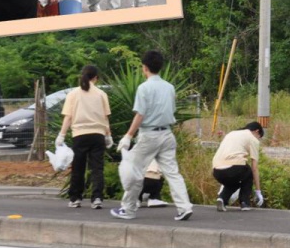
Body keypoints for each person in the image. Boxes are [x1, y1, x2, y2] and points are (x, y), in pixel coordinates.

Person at [111, 50, 194, 221]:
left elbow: (140, 115)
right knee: (173, 173)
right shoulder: (169, 87)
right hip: (167, 134)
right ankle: (185, 207)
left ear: (145, 67)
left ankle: (128, 209)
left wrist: (128, 136)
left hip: (149, 135)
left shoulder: (144, 88)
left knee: (135, 172)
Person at [56, 65, 114, 209]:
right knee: (97, 168)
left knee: (78, 168)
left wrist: (61, 135)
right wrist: (108, 135)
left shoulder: (73, 94)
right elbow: (105, 118)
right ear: (96, 78)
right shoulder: (101, 94)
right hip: (98, 134)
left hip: (79, 135)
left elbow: (68, 117)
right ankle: (97, 198)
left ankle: (75, 198)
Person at [213, 121, 265, 212]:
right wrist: (258, 191)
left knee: (234, 182)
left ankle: (222, 199)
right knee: (248, 172)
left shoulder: (231, 133)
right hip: (234, 168)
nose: (258, 139)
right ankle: (245, 203)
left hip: (216, 170)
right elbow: (254, 168)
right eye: (259, 137)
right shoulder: (252, 138)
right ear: (257, 131)